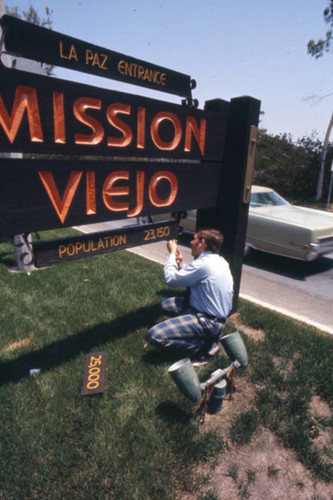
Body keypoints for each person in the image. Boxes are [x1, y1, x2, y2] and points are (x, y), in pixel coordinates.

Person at [147, 227, 234, 366]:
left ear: (202, 243)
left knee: (155, 335)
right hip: (213, 316)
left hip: (208, 321)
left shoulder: (203, 264)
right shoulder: (219, 261)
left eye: (194, 239)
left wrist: (171, 254)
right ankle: (205, 338)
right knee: (166, 305)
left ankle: (201, 347)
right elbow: (194, 276)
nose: (191, 242)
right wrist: (180, 263)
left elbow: (171, 279)